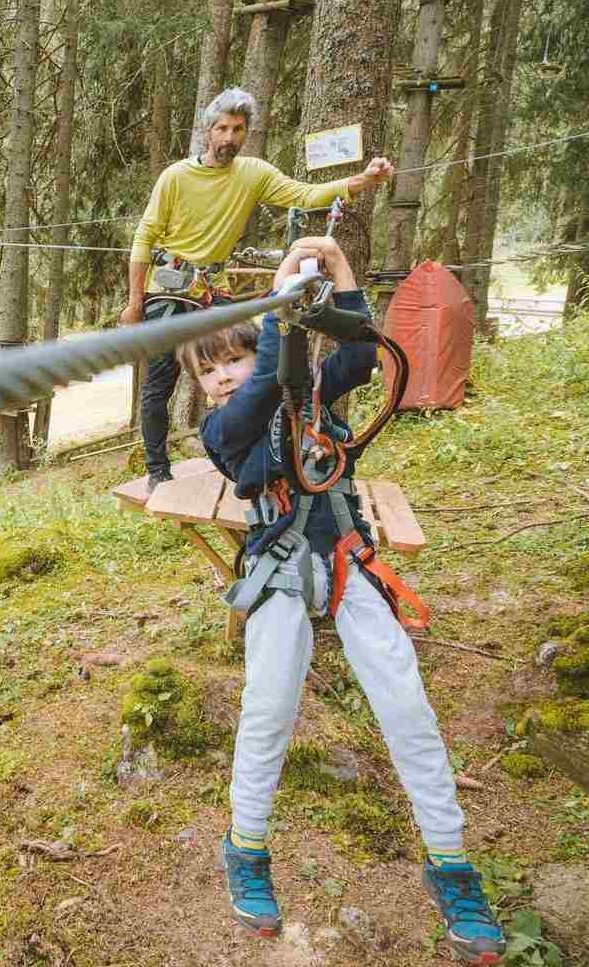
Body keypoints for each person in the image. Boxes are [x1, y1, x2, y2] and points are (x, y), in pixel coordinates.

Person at [181, 239, 507, 965]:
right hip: (282, 571)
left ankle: (451, 863)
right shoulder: (223, 430)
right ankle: (247, 847)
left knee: (407, 707)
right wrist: (276, 309)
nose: (224, 376)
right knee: (269, 707)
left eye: (230, 359)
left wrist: (340, 273)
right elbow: (267, 385)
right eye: (208, 369)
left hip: (348, 557)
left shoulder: (307, 388)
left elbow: (363, 360)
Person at [122, 87, 395, 493]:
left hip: (214, 287)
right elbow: (145, 236)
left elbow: (303, 195)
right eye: (222, 128)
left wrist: (362, 182)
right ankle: (158, 468)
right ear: (207, 131)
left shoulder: (253, 172)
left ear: (245, 133)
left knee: (248, 355)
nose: (229, 137)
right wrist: (134, 301)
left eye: (237, 129)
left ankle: (258, 445)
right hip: (170, 288)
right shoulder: (176, 176)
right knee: (161, 379)